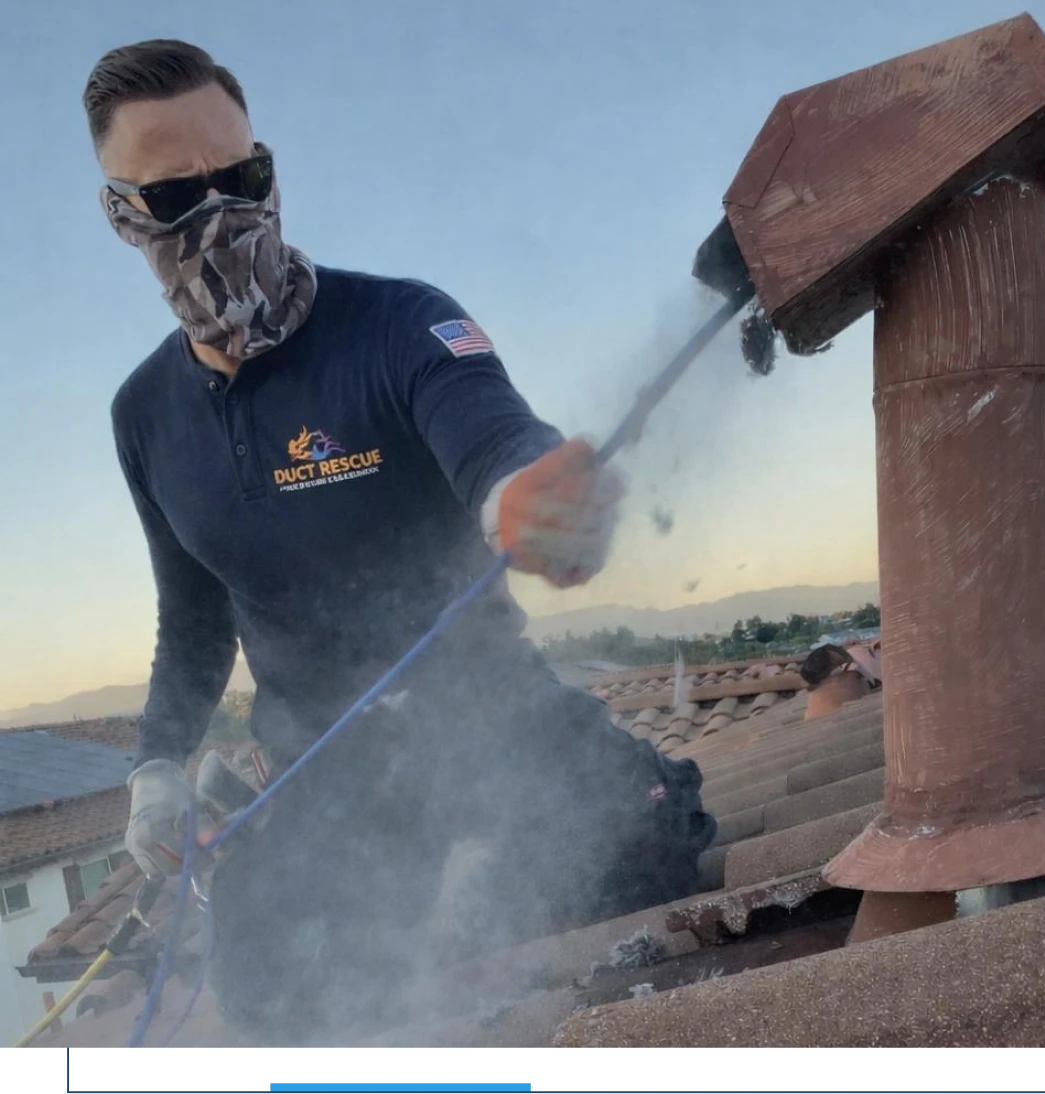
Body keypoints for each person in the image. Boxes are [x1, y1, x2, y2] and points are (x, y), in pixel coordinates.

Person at [85, 40, 716, 1042]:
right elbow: (195, 622)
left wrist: (529, 495)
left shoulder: (401, 324)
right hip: (326, 785)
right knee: (272, 987)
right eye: (174, 197)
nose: (222, 212)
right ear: (122, 215)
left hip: (493, 723)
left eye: (242, 178)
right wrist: (155, 766)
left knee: (628, 850)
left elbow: (496, 437)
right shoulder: (143, 416)